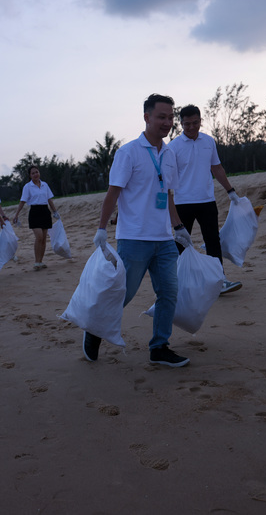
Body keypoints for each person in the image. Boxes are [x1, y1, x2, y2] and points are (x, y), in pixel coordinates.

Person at [85, 93, 193, 367]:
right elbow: (112, 193)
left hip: (164, 239)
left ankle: (159, 347)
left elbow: (168, 194)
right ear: (146, 117)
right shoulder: (128, 152)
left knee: (170, 292)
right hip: (133, 239)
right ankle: (95, 329)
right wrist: (101, 229)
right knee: (123, 294)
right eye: (161, 117)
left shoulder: (169, 154)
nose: (167, 122)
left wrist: (178, 226)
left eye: (170, 117)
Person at [168, 104, 242, 295]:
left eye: (195, 123)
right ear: (181, 124)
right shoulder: (173, 147)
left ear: (200, 121)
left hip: (206, 201)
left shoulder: (209, 141)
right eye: (186, 124)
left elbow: (216, 168)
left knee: (213, 241)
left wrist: (230, 191)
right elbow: (166, 178)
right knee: (181, 243)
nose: (191, 127)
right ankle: (177, 283)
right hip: (182, 203)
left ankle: (220, 280)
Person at [12, 165, 59, 270]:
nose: (35, 174)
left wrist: (55, 211)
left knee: (44, 239)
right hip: (34, 212)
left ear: (39, 173)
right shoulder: (27, 187)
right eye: (33, 173)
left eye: (36, 172)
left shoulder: (45, 185)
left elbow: (49, 199)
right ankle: (36, 262)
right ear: (30, 175)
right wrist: (16, 214)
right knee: (39, 237)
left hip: (45, 211)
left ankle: (40, 261)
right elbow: (22, 201)